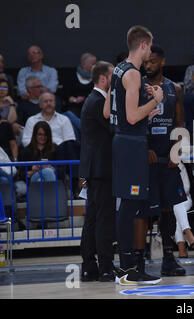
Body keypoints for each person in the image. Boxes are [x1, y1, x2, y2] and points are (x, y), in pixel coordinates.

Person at [103, 25, 163, 286]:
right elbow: (129, 116)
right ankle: (127, 268)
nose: (151, 51)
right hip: (130, 144)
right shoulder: (134, 74)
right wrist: (155, 101)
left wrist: (145, 111)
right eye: (150, 46)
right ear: (143, 45)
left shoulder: (118, 70)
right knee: (129, 207)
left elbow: (109, 112)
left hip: (124, 139)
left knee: (130, 205)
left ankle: (127, 266)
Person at [134, 44, 186, 276]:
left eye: (152, 61)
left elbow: (180, 124)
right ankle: (139, 261)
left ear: (162, 62)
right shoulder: (136, 88)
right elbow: (131, 121)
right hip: (146, 158)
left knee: (168, 210)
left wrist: (177, 148)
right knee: (144, 212)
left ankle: (168, 258)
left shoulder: (174, 88)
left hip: (167, 157)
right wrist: (143, 147)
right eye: (146, 61)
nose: (148, 65)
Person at [79, 61, 116, 282]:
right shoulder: (97, 102)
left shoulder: (92, 100)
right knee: (103, 219)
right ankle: (105, 268)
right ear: (103, 78)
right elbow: (113, 128)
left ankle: (89, 267)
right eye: (113, 75)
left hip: (94, 168)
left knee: (92, 218)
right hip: (101, 169)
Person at [174, 162, 194, 258]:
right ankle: (189, 234)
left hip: (184, 198)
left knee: (176, 205)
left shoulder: (180, 166)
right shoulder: (161, 167)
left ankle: (182, 247)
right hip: (168, 201)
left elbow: (186, 188)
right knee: (176, 208)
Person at [64, 53, 97, 118]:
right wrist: (73, 99)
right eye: (93, 64)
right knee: (71, 114)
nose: (95, 66)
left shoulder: (97, 77)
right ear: (84, 64)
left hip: (91, 106)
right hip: (74, 106)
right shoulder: (71, 76)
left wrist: (85, 98)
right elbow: (66, 93)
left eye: (96, 64)